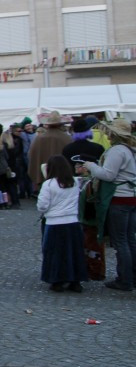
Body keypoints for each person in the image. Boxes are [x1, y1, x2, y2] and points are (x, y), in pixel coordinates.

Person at [77, 118, 136, 292]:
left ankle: (125, 280)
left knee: (121, 241)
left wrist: (91, 166)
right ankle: (132, 276)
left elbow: (108, 175)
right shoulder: (132, 150)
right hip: (132, 197)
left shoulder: (118, 151)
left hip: (119, 198)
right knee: (130, 239)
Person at [38, 156, 87, 293]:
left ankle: (57, 280)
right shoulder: (75, 183)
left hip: (54, 223)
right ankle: (75, 280)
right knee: (74, 252)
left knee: (55, 253)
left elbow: (42, 206)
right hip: (72, 222)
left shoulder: (48, 185)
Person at [28, 111, 72, 194]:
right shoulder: (67, 138)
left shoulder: (39, 139)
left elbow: (31, 156)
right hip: (63, 179)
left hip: (44, 177)